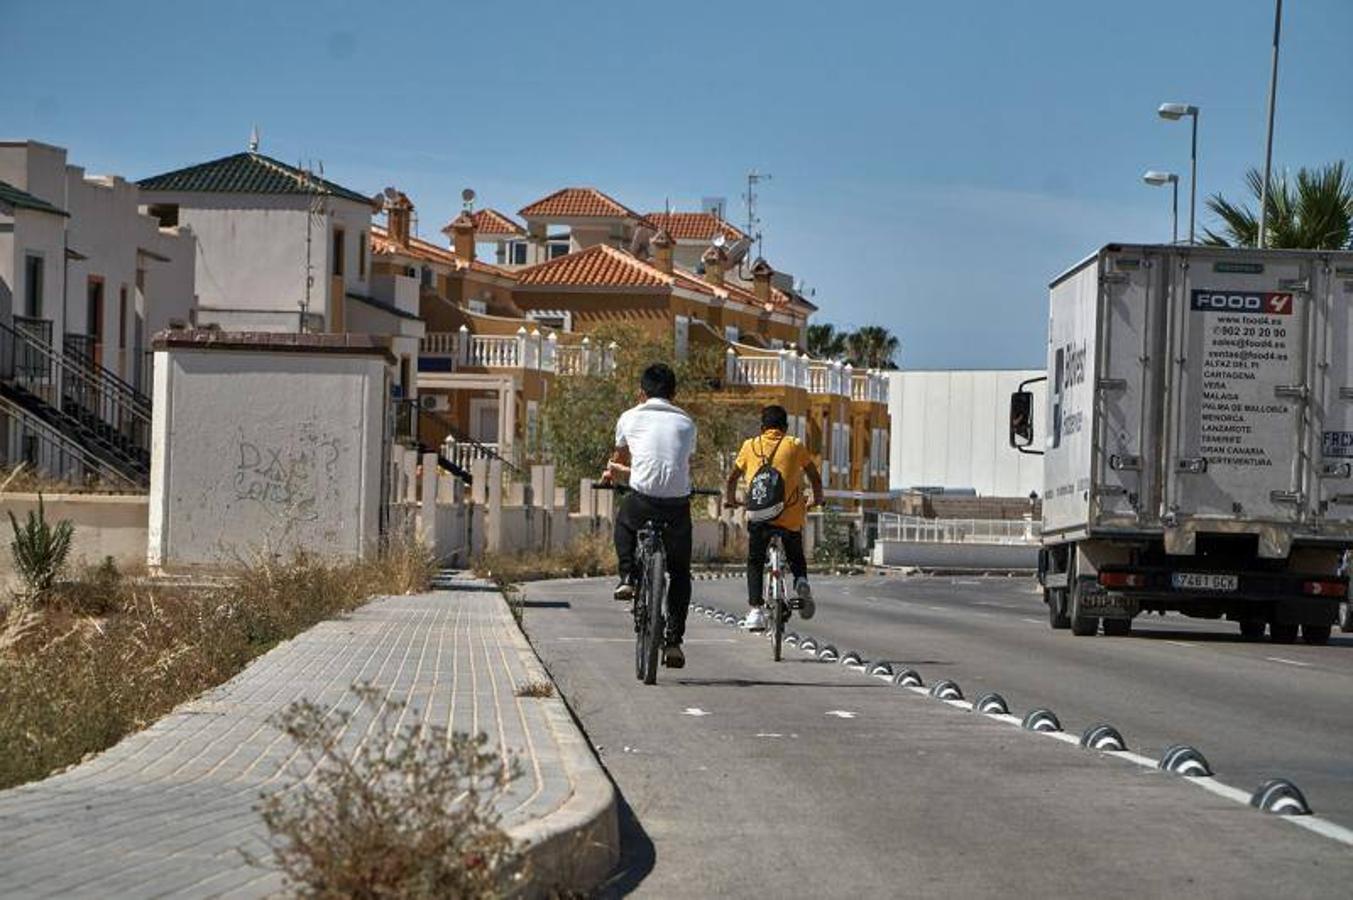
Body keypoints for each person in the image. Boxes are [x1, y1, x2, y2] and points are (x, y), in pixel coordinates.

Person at [602, 363, 698, 668]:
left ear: (641, 393)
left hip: (642, 501)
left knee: (624, 521)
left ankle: (628, 577)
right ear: (674, 393)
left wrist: (610, 474)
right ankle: (673, 642)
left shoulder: (629, 417)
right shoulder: (687, 422)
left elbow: (619, 459)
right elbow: (681, 460)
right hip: (677, 505)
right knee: (681, 571)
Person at [725, 404, 824, 631]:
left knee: (755, 561)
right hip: (789, 517)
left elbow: (732, 479)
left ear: (762, 428)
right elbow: (815, 478)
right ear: (786, 428)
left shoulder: (750, 446)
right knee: (796, 555)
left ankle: (755, 610)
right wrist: (816, 499)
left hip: (759, 517)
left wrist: (731, 500)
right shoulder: (795, 445)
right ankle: (801, 581)